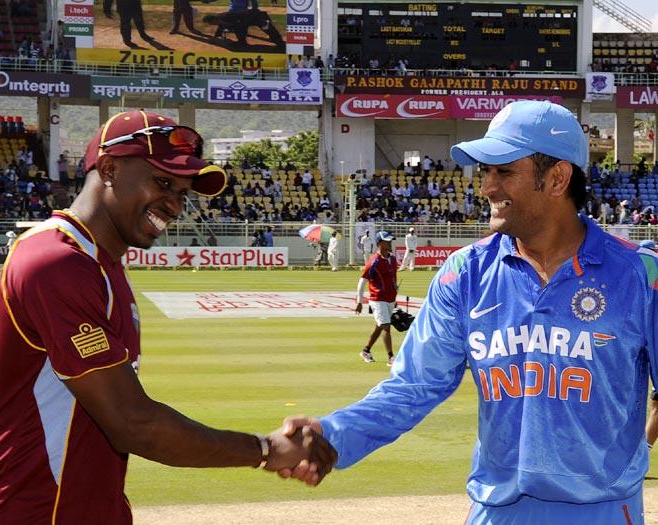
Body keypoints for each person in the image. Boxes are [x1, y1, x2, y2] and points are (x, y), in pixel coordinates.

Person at [280, 100, 658, 524]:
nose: (487, 187)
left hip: (604, 514)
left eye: (504, 172)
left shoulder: (643, 275)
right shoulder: (464, 273)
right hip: (495, 513)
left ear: (557, 178)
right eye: (485, 172)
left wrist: (636, 451)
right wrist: (331, 437)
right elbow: (412, 388)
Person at [0, 110, 336, 523]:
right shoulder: (55, 262)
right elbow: (132, 422)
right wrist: (266, 450)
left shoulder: (102, 264)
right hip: (36, 513)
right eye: (163, 182)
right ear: (110, 168)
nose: (173, 204)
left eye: (183, 193)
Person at [355, 231, 398, 366]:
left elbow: (393, 279)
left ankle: (366, 350)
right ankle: (391, 357)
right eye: (387, 241)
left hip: (390, 299)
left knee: (380, 326)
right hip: (377, 298)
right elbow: (362, 281)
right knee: (386, 326)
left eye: (390, 241)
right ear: (380, 243)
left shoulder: (393, 259)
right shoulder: (374, 261)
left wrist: (395, 296)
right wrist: (359, 301)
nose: (390, 243)